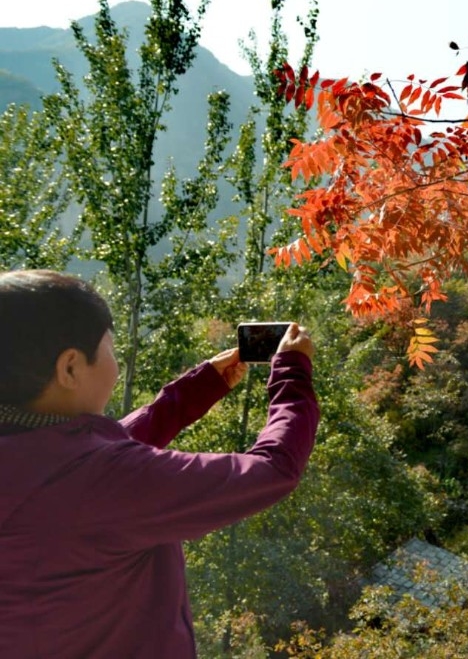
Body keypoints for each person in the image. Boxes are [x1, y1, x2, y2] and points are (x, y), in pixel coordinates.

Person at [0, 270, 320, 658]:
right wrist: (292, 374)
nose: (115, 365)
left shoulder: (29, 449)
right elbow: (273, 471)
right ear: (70, 368)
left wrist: (200, 387)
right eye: (110, 350)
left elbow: (88, 454)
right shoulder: (104, 480)